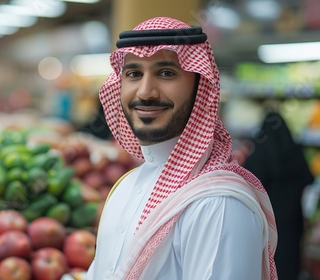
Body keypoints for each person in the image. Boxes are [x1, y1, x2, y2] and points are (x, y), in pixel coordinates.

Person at [87, 17, 278, 279]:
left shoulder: (217, 204)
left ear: (200, 86)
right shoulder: (125, 187)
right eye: (133, 74)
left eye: (166, 73)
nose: (146, 92)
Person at [243, 110, 314, 280]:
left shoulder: (258, 156)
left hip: (267, 220)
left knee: (269, 261)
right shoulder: (296, 152)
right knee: (289, 261)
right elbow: (308, 179)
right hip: (292, 220)